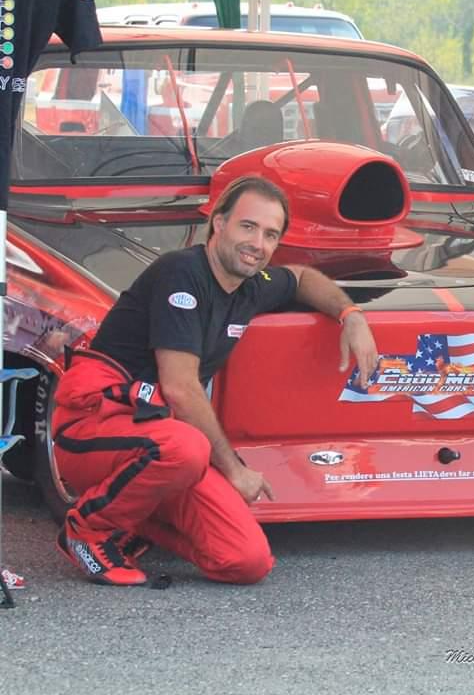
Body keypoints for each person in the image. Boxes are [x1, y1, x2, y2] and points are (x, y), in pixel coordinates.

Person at [50, 175, 379, 586]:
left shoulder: (252, 285)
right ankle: (88, 529)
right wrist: (234, 469)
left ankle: (131, 523)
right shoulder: (182, 273)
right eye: (248, 226)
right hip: (92, 430)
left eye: (270, 234)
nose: (257, 244)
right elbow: (180, 388)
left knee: (246, 561)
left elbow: (300, 278)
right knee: (188, 448)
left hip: (160, 444)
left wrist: (351, 315)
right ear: (218, 224)